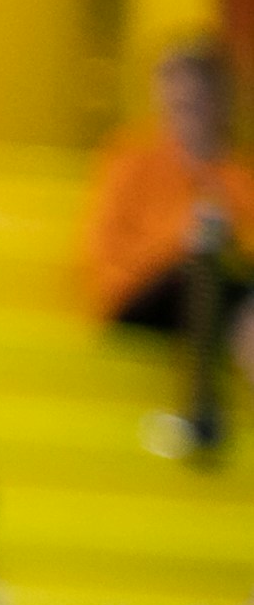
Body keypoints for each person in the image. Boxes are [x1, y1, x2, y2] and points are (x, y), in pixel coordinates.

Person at [82, 39, 254, 457]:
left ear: (218, 105)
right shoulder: (132, 158)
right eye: (174, 102)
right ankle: (201, 414)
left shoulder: (235, 176)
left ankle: (206, 417)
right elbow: (106, 253)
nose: (180, 115)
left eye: (193, 103)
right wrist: (185, 237)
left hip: (216, 296)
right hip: (138, 291)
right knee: (204, 259)